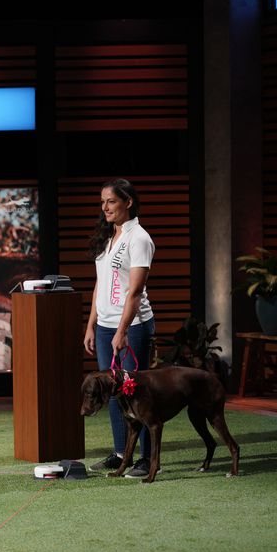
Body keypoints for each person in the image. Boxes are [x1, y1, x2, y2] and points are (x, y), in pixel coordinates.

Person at [83, 178, 156, 478]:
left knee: (136, 392)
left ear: (128, 202)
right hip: (104, 326)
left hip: (133, 326)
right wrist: (92, 324)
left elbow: (135, 292)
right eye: (102, 202)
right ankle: (119, 453)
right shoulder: (107, 237)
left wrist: (122, 330)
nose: (105, 207)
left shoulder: (139, 238)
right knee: (112, 391)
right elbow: (100, 284)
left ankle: (146, 458)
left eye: (111, 201)